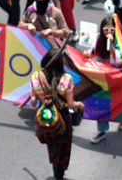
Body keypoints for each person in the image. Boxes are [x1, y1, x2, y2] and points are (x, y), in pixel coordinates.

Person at [31, 48, 83, 180]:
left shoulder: (36, 77)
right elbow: (70, 104)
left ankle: (56, 170)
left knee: (52, 145)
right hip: (62, 117)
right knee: (63, 146)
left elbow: (33, 101)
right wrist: (80, 105)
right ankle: (60, 172)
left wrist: (39, 96)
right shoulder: (66, 79)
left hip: (46, 117)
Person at [85, 16, 122, 144]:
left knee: (118, 100)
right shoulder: (99, 39)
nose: (108, 33)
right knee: (101, 102)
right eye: (106, 30)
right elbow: (93, 52)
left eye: (111, 30)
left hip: (115, 78)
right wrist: (88, 53)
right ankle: (101, 131)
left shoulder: (118, 43)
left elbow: (118, 60)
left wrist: (111, 46)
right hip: (102, 78)